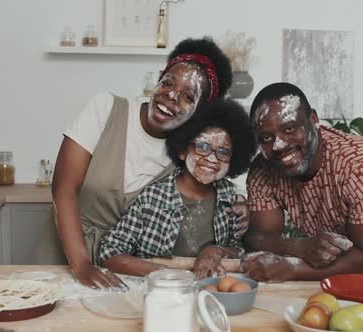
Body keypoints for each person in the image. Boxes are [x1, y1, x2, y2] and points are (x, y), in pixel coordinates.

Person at [50, 37, 249, 289]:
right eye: (167, 82)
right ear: (158, 78)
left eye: (188, 96)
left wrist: (241, 203)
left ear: (201, 111)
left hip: (125, 266)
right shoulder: (106, 109)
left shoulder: (187, 152)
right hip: (66, 250)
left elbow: (219, 177)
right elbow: (64, 187)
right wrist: (81, 265)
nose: (171, 96)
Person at [242, 82, 363, 282]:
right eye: (266, 138)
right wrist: (299, 247)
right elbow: (257, 238)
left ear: (314, 119)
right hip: (341, 262)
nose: (279, 145)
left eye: (290, 128)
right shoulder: (263, 169)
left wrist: (292, 270)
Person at [99, 98, 257, 279]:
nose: (212, 159)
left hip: (209, 292)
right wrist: (164, 274)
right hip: (158, 292)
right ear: (182, 150)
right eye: (203, 147)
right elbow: (109, 252)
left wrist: (216, 251)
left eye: (223, 152)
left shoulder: (229, 198)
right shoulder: (153, 199)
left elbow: (238, 250)